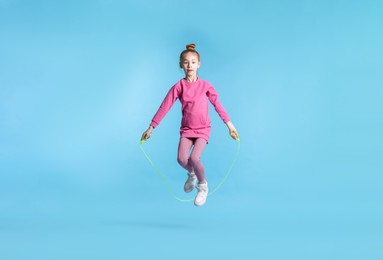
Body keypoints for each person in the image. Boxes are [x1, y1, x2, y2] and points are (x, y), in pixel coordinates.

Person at [141, 43, 239, 206]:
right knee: (181, 159)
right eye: (186, 62)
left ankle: (203, 186)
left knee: (194, 157)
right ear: (181, 65)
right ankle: (192, 174)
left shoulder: (205, 85)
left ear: (199, 64)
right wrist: (151, 127)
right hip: (186, 130)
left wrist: (230, 125)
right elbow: (164, 106)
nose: (189, 65)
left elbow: (217, 105)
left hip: (202, 129)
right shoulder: (179, 86)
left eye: (193, 62)